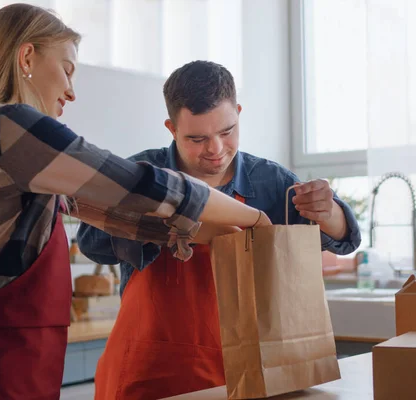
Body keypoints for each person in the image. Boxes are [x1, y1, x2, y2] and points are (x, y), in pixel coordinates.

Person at [0, 6, 270, 400]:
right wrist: (253, 216)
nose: (71, 90)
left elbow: (122, 216)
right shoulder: (8, 124)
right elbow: (135, 184)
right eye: (67, 69)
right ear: (27, 57)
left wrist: (198, 230)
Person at [77, 60, 362, 399]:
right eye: (197, 138)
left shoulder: (270, 182)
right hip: (150, 374)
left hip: (245, 373)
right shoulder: (142, 175)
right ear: (171, 128)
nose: (215, 149)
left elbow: (346, 241)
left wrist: (329, 212)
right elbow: (90, 241)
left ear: (238, 112)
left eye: (227, 132)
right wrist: (170, 222)